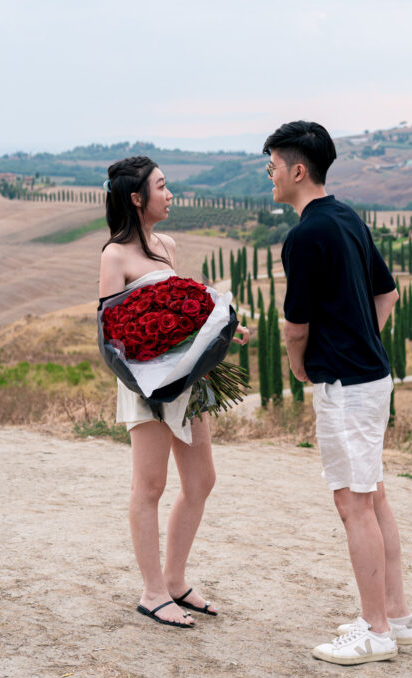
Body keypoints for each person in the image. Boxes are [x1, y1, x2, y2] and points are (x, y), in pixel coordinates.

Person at [264, 122, 412, 665]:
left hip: (345, 386)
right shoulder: (348, 217)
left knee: (353, 504)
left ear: (297, 170)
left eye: (274, 166)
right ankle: (396, 614)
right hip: (372, 377)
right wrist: (362, 338)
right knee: (373, 495)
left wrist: (301, 366)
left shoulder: (304, 236)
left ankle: (376, 631)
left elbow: (296, 325)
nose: (270, 174)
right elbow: (388, 291)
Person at [98, 156, 249, 629]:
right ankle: (152, 592)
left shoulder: (167, 245)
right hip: (144, 386)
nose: (170, 194)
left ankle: (176, 580)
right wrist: (150, 373)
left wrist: (223, 328)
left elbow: (186, 310)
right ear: (137, 198)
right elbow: (111, 331)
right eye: (162, 187)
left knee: (201, 480)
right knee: (150, 486)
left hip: (188, 382)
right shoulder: (114, 256)